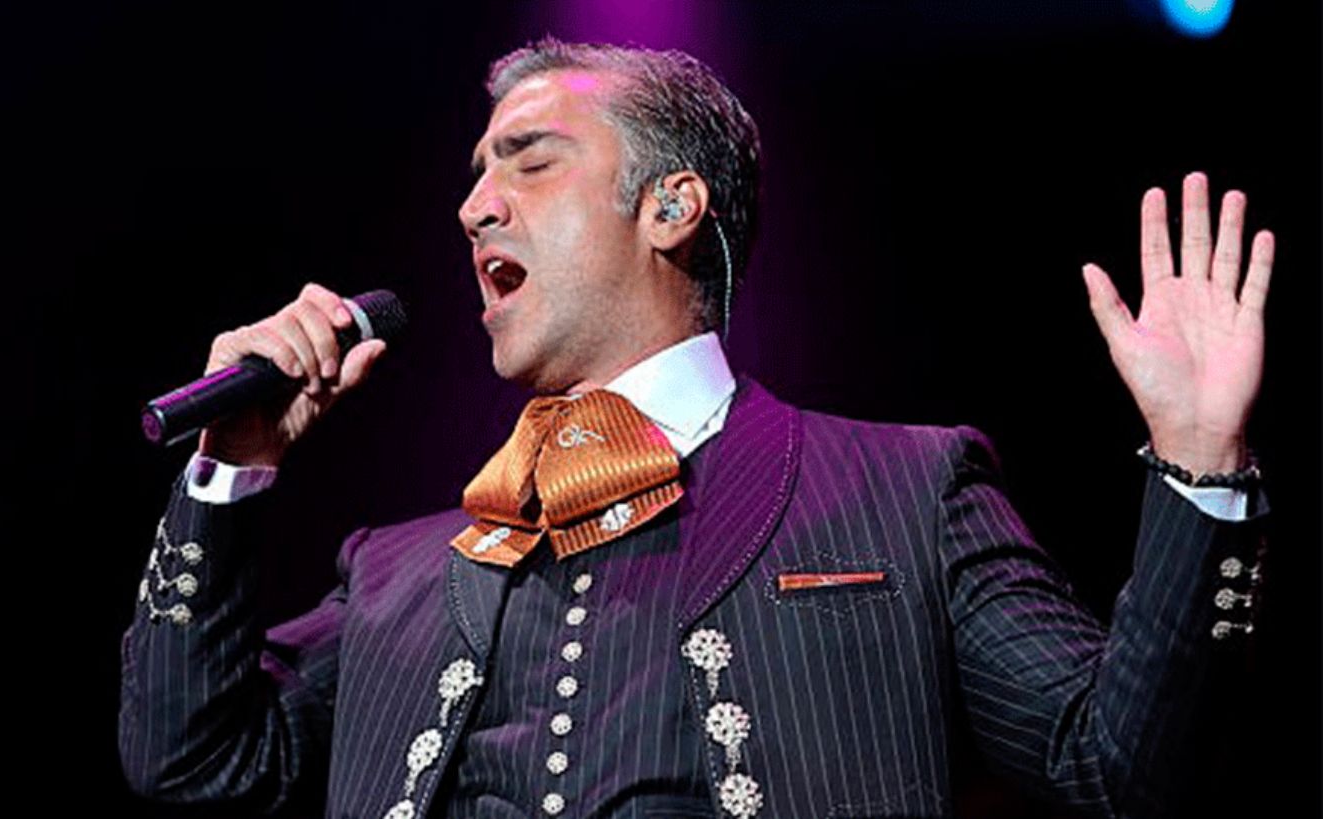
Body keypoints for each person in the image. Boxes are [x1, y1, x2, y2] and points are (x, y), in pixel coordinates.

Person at [119, 39, 1273, 819]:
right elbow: (191, 759)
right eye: (474, 175)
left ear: (671, 206)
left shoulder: (905, 491)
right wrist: (231, 470)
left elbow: (1120, 770)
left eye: (530, 161)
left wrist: (1199, 467)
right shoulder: (396, 571)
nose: (474, 206)